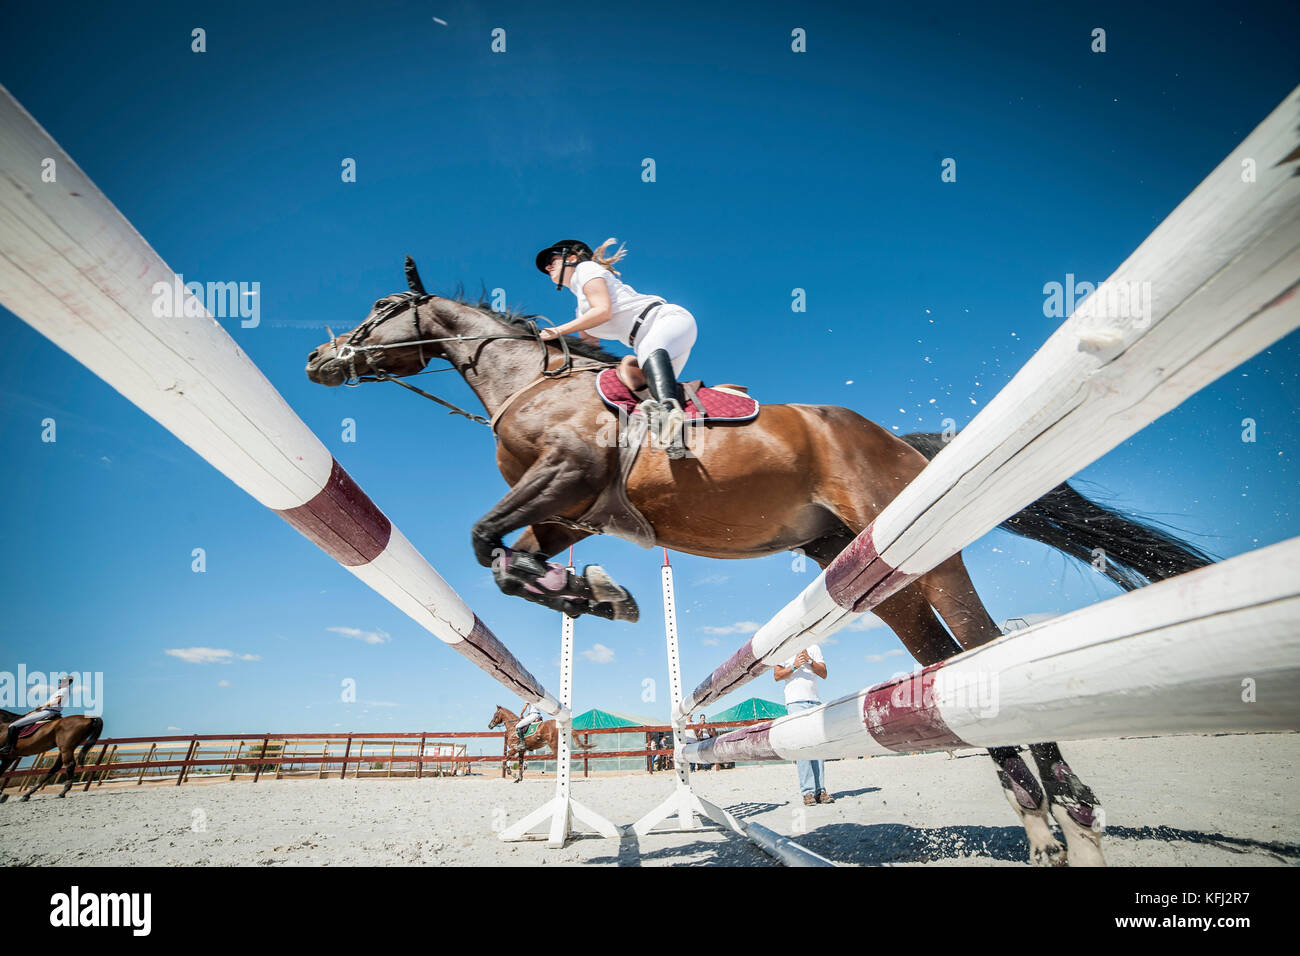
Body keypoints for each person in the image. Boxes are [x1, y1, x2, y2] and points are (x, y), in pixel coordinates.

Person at [534, 238, 699, 458]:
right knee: (648, 398)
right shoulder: (581, 311)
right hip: (646, 343)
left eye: (552, 259)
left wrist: (557, 331)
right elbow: (590, 350)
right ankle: (676, 445)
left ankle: (669, 420)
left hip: (664, 322)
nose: (548, 266)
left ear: (572, 258)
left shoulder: (586, 268)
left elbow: (603, 311)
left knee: (662, 402)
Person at [773, 647, 834, 805]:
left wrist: (810, 660)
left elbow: (824, 674)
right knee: (802, 746)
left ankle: (821, 790)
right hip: (795, 701)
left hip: (814, 700)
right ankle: (808, 792)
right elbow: (776, 676)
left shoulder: (814, 647)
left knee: (817, 745)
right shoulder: (784, 647)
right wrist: (794, 666)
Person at [0, 675, 73, 755]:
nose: (60, 683)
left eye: (61, 682)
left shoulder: (63, 690)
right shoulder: (64, 690)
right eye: (60, 682)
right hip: (46, 711)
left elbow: (57, 701)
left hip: (48, 711)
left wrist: (43, 706)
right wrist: (37, 709)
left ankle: (8, 747)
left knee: (13, 725)